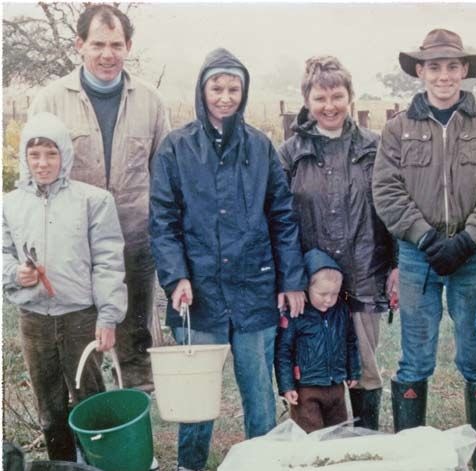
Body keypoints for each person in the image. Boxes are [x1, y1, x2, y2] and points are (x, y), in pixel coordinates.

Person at [150, 47, 307, 471]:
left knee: (258, 387)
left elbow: (282, 216)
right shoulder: (176, 148)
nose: (224, 97)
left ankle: (263, 461)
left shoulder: (260, 147)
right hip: (198, 291)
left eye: (233, 88)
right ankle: (190, 464)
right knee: (196, 393)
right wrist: (175, 277)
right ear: (202, 91)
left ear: (244, 91)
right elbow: (163, 221)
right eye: (216, 88)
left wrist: (291, 279)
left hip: (253, 287)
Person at [372, 28, 476, 471]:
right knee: (415, 354)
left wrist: (470, 238)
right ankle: (410, 452)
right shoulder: (398, 128)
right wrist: (425, 237)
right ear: (420, 71)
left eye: (452, 66)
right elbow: (386, 189)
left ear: (464, 71)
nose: (443, 75)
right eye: (433, 66)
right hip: (419, 256)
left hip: (471, 257)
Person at [28, 4, 171, 392]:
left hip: (135, 246)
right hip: (74, 251)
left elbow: (165, 178)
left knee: (135, 349)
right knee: (78, 347)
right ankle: (86, 436)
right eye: (97, 44)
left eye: (116, 44)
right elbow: (33, 180)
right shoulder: (51, 100)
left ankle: (135, 438)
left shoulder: (151, 102)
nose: (107, 54)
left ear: (128, 46)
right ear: (80, 45)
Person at [278, 55, 398, 431]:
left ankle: (366, 444)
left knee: (362, 365)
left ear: (351, 97)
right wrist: (291, 278)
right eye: (320, 97)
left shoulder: (375, 148)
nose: (329, 106)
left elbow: (392, 211)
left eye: (337, 96)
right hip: (314, 283)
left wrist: (395, 265)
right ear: (307, 101)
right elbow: (280, 221)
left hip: (364, 274)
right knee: (312, 368)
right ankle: (318, 449)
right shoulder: (290, 153)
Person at [3, 112, 127, 462]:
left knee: (89, 398)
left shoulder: (94, 201)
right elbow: (3, 252)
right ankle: (63, 464)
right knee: (49, 405)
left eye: (51, 154)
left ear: (65, 156)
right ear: (24, 159)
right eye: (34, 155)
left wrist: (108, 316)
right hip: (34, 319)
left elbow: (108, 261)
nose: (43, 164)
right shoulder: (9, 204)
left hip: (80, 317)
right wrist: (16, 273)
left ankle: (101, 462)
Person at [275, 249, 361, 433]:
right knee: (310, 433)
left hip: (336, 386)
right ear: (307, 287)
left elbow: (350, 342)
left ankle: (337, 460)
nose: (329, 300)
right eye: (322, 294)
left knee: (339, 431)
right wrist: (287, 386)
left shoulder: (342, 311)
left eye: (335, 293)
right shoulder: (296, 315)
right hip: (306, 389)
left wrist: (353, 371)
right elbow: (283, 352)